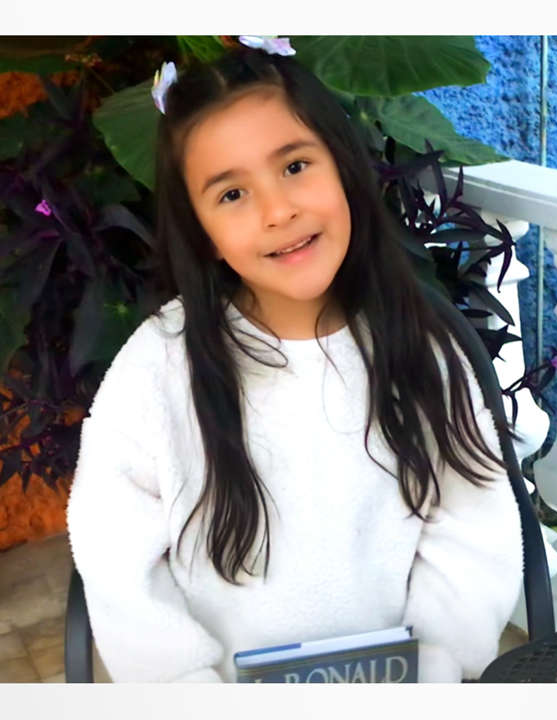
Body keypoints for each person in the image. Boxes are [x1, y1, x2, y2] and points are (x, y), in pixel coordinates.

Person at [65, 41, 524, 683]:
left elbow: (473, 522)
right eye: (232, 194)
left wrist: (436, 664)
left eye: (295, 166)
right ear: (201, 231)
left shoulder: (420, 346)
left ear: (344, 168)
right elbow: (118, 559)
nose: (278, 211)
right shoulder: (156, 370)